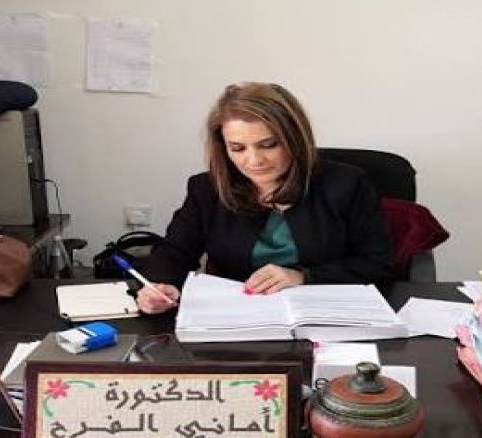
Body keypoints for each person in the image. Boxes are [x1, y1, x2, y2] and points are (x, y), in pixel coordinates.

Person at [137, 82, 394, 314]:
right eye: (238, 148)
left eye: (268, 145)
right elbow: (174, 251)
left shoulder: (347, 184)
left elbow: (377, 264)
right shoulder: (206, 189)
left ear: (294, 139)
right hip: (240, 314)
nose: (254, 160)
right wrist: (162, 285)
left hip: (324, 311)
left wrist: (303, 276)